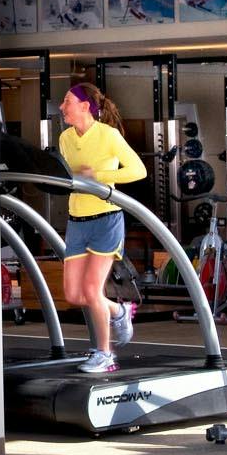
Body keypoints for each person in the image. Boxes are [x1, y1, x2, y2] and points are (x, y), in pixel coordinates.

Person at [56, 82, 148, 373]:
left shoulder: (108, 136)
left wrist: (99, 175)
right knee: (74, 294)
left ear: (84, 106)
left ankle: (104, 354)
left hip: (106, 220)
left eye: (67, 102)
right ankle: (119, 311)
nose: (62, 107)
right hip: (77, 220)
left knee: (91, 289)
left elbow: (138, 170)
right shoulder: (65, 139)